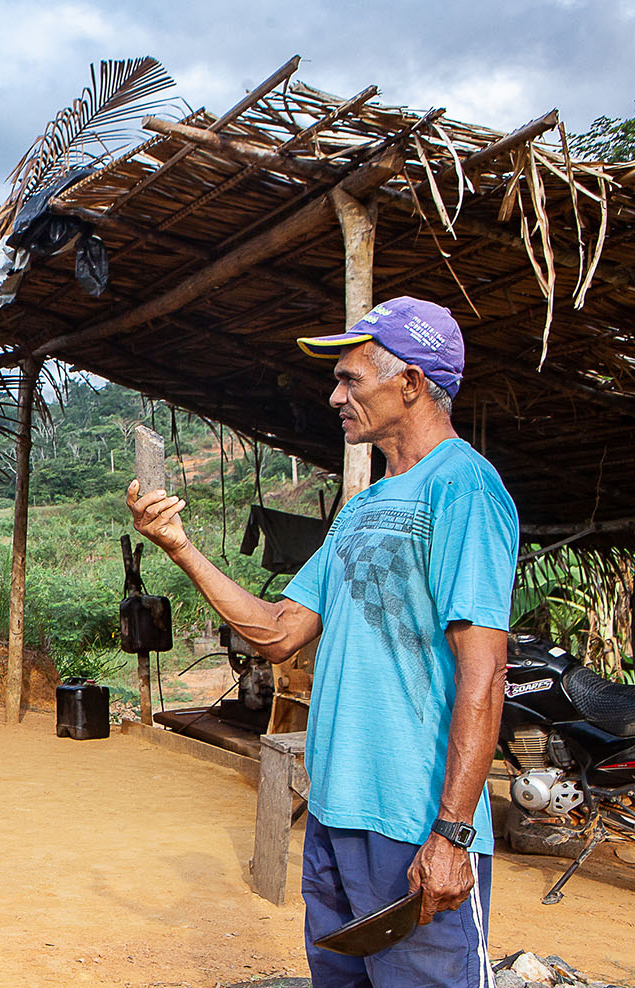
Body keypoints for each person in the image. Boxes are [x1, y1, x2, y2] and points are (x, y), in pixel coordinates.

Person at [128, 296, 516, 988]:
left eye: (351, 379)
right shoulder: (360, 507)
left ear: (411, 382)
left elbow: (483, 677)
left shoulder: (464, 488)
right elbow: (278, 633)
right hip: (335, 816)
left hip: (414, 822)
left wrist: (454, 834)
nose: (335, 394)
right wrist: (179, 547)